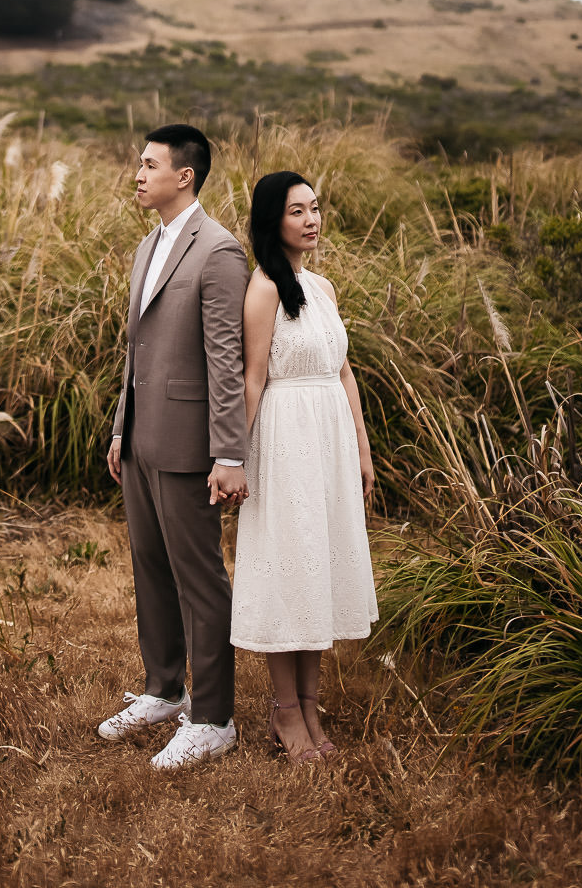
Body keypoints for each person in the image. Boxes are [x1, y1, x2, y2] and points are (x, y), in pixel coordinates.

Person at [97, 124, 249, 770]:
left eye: (149, 163)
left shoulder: (218, 251)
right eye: (139, 162)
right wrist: (119, 429)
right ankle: (163, 688)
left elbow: (226, 358)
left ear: (184, 174)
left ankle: (213, 716)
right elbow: (137, 353)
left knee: (200, 578)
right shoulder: (145, 245)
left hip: (190, 444)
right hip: (140, 437)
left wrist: (229, 452)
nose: (138, 172)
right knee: (149, 566)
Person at [230, 171, 378, 762]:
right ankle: (284, 712)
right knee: (289, 567)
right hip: (285, 440)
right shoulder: (264, 288)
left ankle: (311, 706)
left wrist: (363, 451)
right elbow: (253, 379)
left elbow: (344, 372)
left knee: (318, 568)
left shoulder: (324, 287)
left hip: (331, 441)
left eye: (315, 208)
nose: (311, 219)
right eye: (297, 211)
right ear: (274, 221)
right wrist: (231, 458)